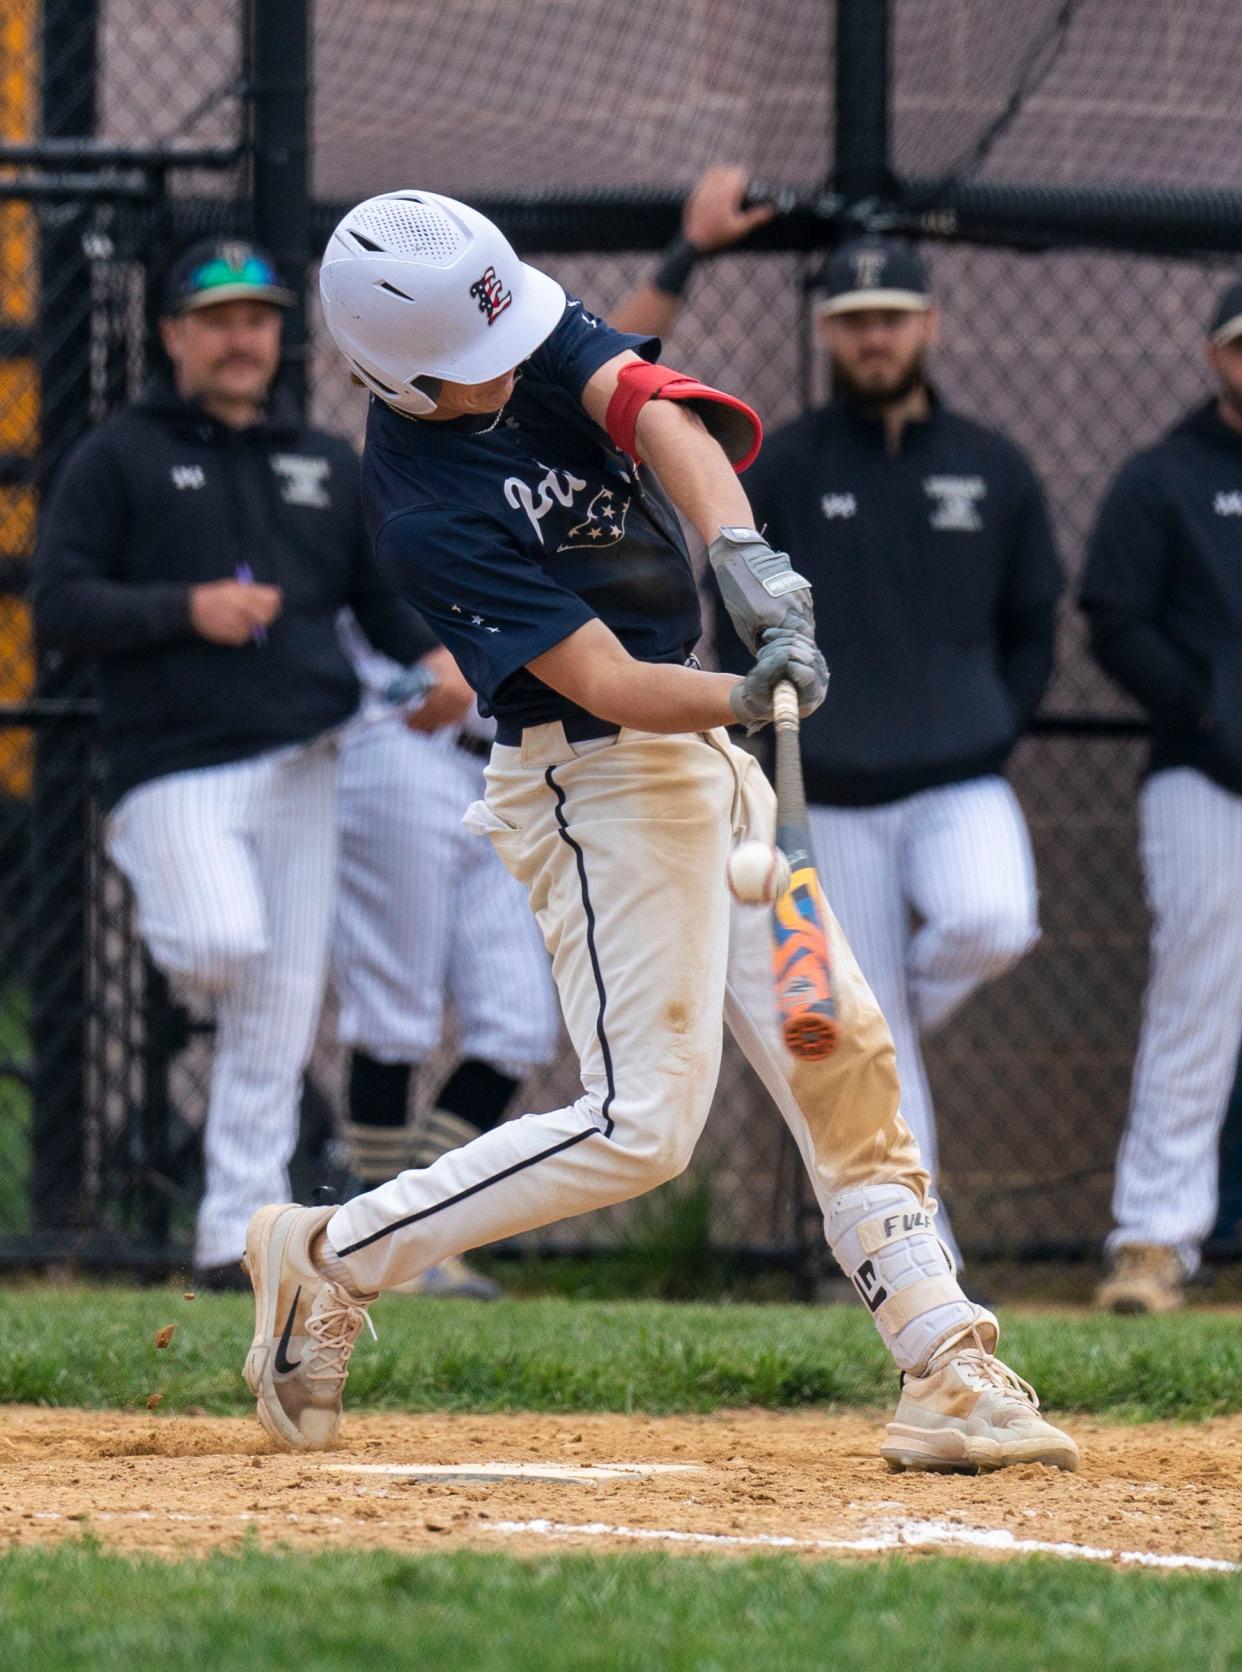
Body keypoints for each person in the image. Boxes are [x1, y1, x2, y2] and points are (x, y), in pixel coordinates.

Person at [239, 189, 1076, 1476]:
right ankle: (326, 1251)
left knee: (835, 1045)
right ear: (392, 375)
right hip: (595, 785)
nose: (509, 365)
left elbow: (652, 407)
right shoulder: (420, 507)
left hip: (701, 763)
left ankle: (944, 1356)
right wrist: (744, 692)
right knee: (643, 1123)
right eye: (475, 368)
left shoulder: (497, 312)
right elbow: (607, 683)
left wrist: (738, 553)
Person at [31, 238, 439, 1289]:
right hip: (175, 767)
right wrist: (186, 609)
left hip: (308, 756)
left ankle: (234, 1241)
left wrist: (435, 658)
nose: (240, 337)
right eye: (215, 319)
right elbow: (60, 603)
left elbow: (378, 599)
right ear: (174, 335)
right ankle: (236, 1216)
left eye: (257, 317)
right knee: (221, 944)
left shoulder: (323, 462)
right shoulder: (117, 455)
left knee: (280, 1007)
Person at [1081, 277, 1242, 1313]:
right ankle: (1153, 1238)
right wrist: (1208, 710)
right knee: (1200, 988)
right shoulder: (1163, 477)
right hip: (1206, 777)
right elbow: (1115, 615)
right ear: (1216, 357)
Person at [332, 617, 561, 1298]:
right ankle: (378, 1240)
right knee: (395, 1015)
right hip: (404, 744)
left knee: (518, 1026)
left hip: (502, 766)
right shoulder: (387, 510)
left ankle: (411, 1233)